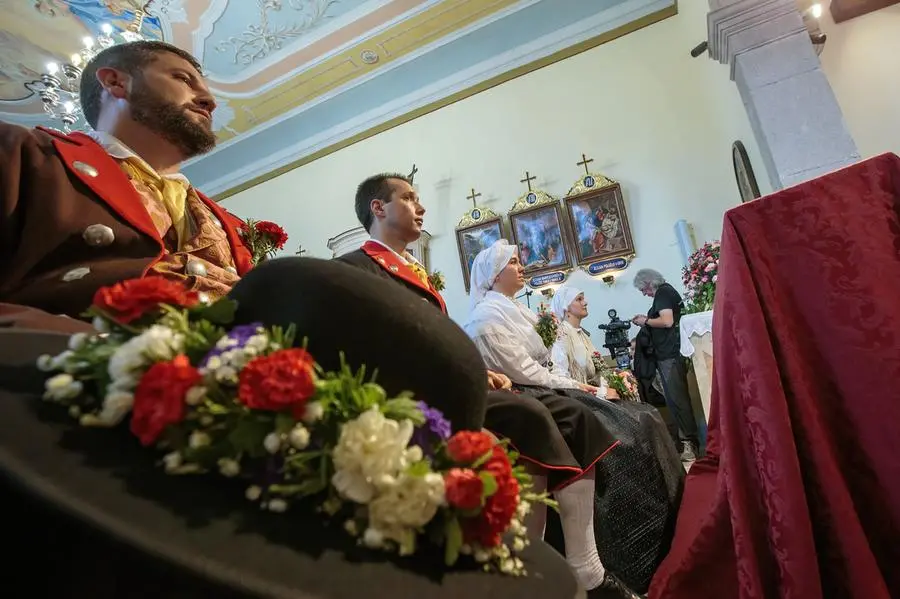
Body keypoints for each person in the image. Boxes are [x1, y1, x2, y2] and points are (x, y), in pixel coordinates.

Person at [337, 173, 639, 599]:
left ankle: (572, 563)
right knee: (531, 413)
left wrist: (475, 371)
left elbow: (435, 339)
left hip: (448, 383)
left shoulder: (414, 271)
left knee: (570, 415)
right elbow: (385, 344)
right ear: (378, 208)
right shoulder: (356, 268)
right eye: (408, 197)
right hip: (412, 392)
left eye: (419, 197)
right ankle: (537, 564)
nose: (420, 206)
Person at [464, 240, 685, 593]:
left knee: (641, 418)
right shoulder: (487, 318)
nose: (522, 268)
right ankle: (617, 552)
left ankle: (664, 527)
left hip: (544, 388)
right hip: (528, 393)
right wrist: (589, 390)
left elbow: (543, 365)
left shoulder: (514, 309)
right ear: (494, 274)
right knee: (618, 427)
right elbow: (526, 373)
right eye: (515, 263)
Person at [0, 40, 253, 332]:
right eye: (183, 79)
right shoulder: (24, 152)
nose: (209, 99)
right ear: (115, 82)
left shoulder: (225, 223)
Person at [631, 268, 699, 462]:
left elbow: (667, 321)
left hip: (669, 355)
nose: (644, 294)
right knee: (675, 400)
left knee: (678, 400)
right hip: (668, 355)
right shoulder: (667, 293)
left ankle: (689, 443)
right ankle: (686, 440)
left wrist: (645, 321)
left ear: (649, 283)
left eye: (643, 289)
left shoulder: (663, 292)